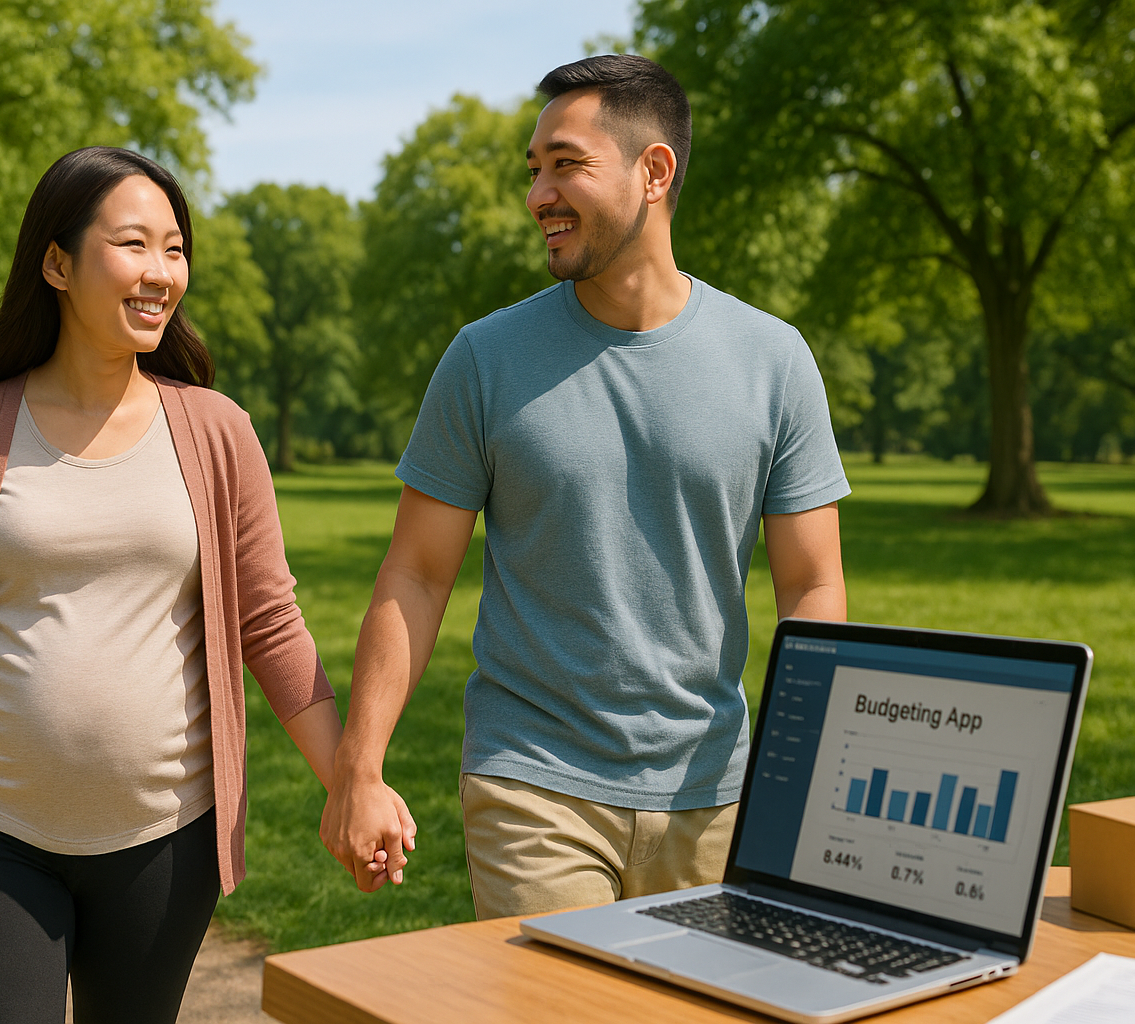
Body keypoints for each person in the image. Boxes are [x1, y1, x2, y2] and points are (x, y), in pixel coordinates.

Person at [0, 146, 355, 1024]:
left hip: (165, 838)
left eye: (175, 249)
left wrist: (349, 783)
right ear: (58, 263)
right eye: (134, 244)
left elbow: (270, 623)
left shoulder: (217, 433)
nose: (160, 272)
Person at [320, 54, 850, 918]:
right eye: (534, 170)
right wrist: (360, 766)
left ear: (654, 172)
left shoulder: (774, 362)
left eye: (566, 164)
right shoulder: (485, 361)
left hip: (715, 792)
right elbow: (415, 574)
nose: (537, 195)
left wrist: (806, 761)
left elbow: (812, 582)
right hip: (535, 786)